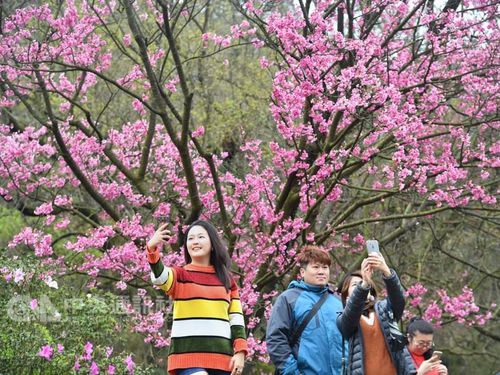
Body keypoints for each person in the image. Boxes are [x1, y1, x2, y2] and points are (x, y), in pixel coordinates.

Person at [146, 219, 247, 375]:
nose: (195, 242)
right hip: (187, 357)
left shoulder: (226, 280)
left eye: (200, 237)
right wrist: (152, 249)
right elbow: (160, 277)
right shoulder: (180, 275)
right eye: (190, 238)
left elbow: (236, 318)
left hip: (222, 359)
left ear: (212, 244)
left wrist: (240, 351)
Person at [266, 245, 345, 375]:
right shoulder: (289, 299)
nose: (321, 271)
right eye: (316, 267)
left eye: (325, 267)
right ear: (302, 272)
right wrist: (292, 372)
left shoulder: (337, 301)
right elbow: (276, 338)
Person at [336, 253, 416, 375]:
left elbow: (398, 301)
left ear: (371, 292)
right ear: (346, 296)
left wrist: (386, 271)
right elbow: (351, 315)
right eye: (355, 285)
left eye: (362, 282)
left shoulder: (384, 309)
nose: (361, 284)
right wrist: (364, 285)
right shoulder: (343, 318)